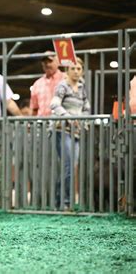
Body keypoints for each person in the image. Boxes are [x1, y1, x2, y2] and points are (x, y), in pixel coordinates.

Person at [50, 57, 90, 209]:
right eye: (73, 68)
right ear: (67, 71)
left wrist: (82, 120)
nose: (76, 71)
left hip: (76, 132)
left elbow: (86, 107)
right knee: (68, 166)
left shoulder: (81, 87)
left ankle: (60, 201)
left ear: (82, 71)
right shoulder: (63, 85)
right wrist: (70, 118)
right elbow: (54, 104)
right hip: (62, 129)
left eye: (79, 69)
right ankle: (65, 203)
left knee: (71, 166)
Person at [30, 51, 65, 116]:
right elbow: (34, 108)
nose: (47, 64)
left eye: (50, 61)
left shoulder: (65, 78)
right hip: (43, 123)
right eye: (45, 62)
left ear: (58, 62)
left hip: (62, 121)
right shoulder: (37, 84)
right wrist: (31, 123)